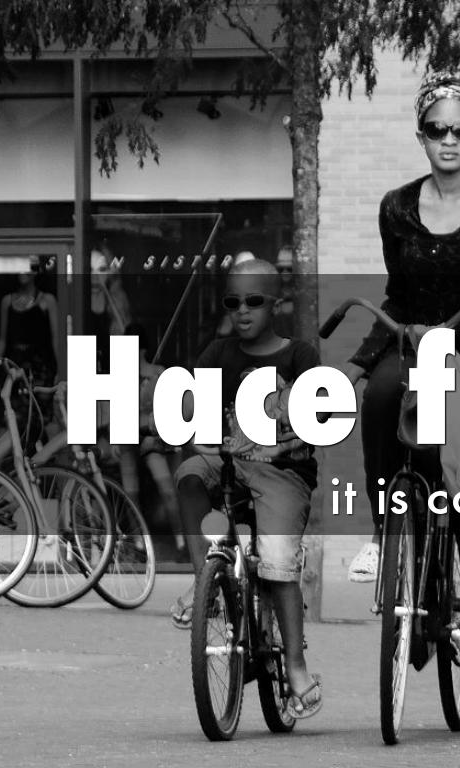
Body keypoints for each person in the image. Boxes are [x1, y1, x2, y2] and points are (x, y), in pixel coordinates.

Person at [342, 72, 460, 710]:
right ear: (421, 134)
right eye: (435, 128)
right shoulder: (396, 207)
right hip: (420, 350)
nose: (448, 139)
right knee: (378, 398)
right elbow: (397, 296)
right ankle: (382, 537)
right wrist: (359, 363)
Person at [170, 257, 322, 719]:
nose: (242, 311)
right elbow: (195, 409)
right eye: (232, 302)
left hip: (282, 471)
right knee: (189, 475)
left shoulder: (299, 355)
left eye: (253, 301)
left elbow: (318, 420)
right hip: (228, 462)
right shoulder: (217, 353)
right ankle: (204, 581)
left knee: (277, 563)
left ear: (275, 303)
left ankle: (296, 667)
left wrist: (283, 444)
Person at [0, 255, 62, 466]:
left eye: (28, 268)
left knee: (46, 420)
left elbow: (56, 339)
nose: (22, 272)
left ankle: (62, 477)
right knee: (9, 420)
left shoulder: (47, 301)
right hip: (15, 368)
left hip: (40, 369)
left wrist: (60, 370)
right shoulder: (7, 301)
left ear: (36, 272)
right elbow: (3, 338)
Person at [118, 322, 185, 559]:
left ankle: (181, 542)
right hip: (127, 439)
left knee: (166, 489)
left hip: (151, 439)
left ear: (143, 348)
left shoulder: (158, 373)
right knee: (130, 493)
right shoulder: (120, 376)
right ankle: (139, 543)